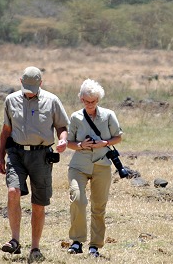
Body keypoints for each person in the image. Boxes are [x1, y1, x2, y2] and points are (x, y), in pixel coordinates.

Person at [0, 66, 70, 262]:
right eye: (26, 86)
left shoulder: (52, 101)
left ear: (41, 84)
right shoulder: (10, 100)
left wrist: (62, 140)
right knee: (13, 192)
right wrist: (0, 156)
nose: (29, 91)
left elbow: (62, 126)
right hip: (16, 153)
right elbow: (5, 130)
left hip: (41, 155)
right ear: (20, 81)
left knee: (38, 204)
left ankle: (35, 248)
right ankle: (14, 241)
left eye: (33, 87)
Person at [65, 79, 123, 258]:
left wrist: (104, 143)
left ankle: (95, 246)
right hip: (79, 165)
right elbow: (69, 143)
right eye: (86, 101)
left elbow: (118, 137)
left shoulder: (108, 115)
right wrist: (81, 144)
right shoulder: (75, 117)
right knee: (78, 199)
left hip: (102, 165)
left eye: (94, 101)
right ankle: (76, 241)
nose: (90, 105)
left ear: (99, 99)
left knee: (98, 207)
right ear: (81, 99)